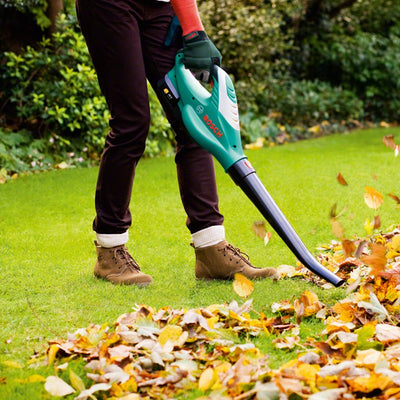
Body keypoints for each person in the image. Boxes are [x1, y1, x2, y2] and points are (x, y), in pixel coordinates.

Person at [75, 0, 278, 286]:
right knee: (131, 122)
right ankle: (109, 251)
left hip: (159, 7)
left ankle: (211, 248)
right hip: (110, 5)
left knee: (196, 121)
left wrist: (195, 32)